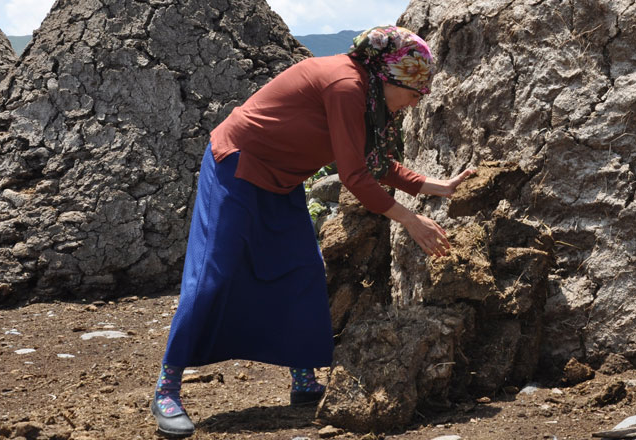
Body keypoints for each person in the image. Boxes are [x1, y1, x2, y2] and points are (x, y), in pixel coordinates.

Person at [151, 26, 476, 437]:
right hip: (237, 165)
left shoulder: (368, 95)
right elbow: (355, 176)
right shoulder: (346, 86)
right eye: (415, 93)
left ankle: (304, 383)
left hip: (281, 180)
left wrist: (436, 186)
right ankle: (167, 389)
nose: (414, 104)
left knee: (303, 270)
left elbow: (371, 160)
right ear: (391, 77)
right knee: (215, 274)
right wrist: (410, 219)